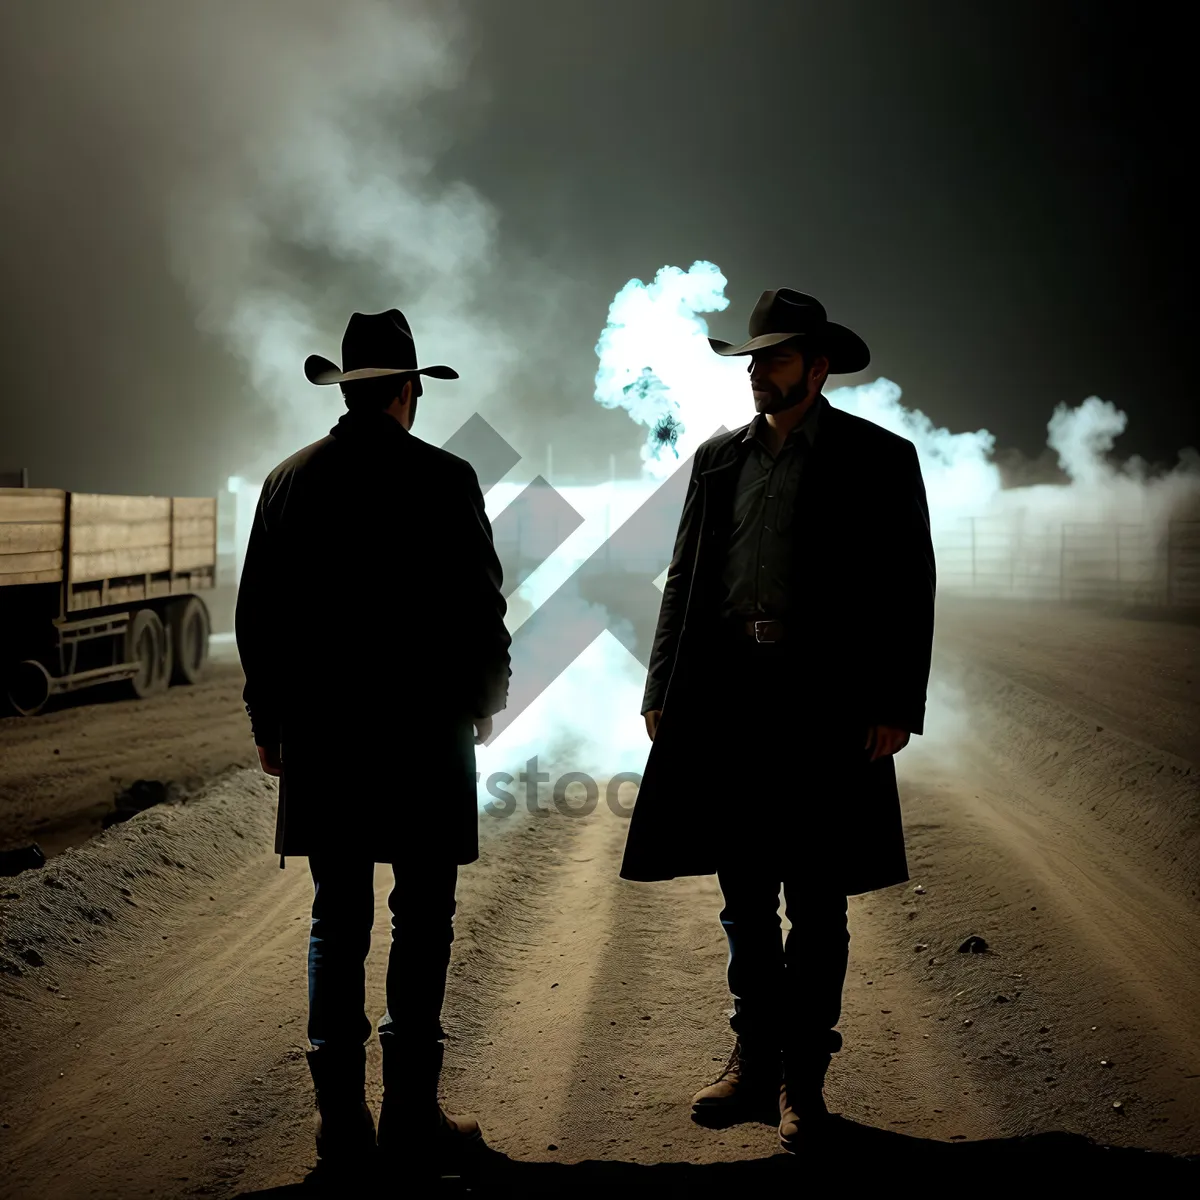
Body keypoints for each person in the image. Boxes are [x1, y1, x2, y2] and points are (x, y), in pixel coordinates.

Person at [620, 287, 935, 1154]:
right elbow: (684, 578)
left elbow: (910, 589)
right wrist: (661, 687)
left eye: (775, 359)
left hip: (825, 701)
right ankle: (752, 1064)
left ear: (818, 367)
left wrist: (894, 704)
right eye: (754, 360)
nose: (757, 372)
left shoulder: (878, 458)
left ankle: (804, 1082)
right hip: (729, 698)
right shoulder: (719, 459)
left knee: (819, 898)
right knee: (744, 896)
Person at [235, 309, 511, 1178]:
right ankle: (410, 1120)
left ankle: (341, 1126)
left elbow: (257, 625)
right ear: (407, 391)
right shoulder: (448, 477)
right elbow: (481, 608)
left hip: (325, 741)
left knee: (336, 919)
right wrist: (486, 701)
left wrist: (270, 727)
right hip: (425, 739)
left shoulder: (287, 483)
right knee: (422, 919)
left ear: (348, 391)